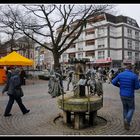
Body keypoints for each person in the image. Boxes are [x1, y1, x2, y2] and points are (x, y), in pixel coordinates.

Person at [112, 64, 140, 130]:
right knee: (131, 108)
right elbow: (137, 87)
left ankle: (126, 123)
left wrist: (119, 86)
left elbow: (113, 82)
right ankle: (127, 120)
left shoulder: (120, 74)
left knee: (125, 109)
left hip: (122, 95)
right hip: (130, 95)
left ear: (125, 68)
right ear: (131, 69)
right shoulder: (134, 76)